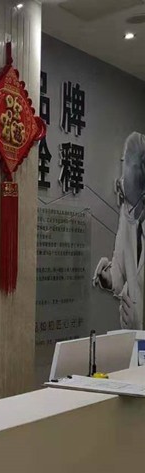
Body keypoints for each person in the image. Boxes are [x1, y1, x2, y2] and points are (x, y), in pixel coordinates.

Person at [93, 132, 145, 329]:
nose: (127, 211)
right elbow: (120, 264)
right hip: (130, 336)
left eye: (134, 205)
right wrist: (110, 278)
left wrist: (139, 326)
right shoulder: (128, 208)